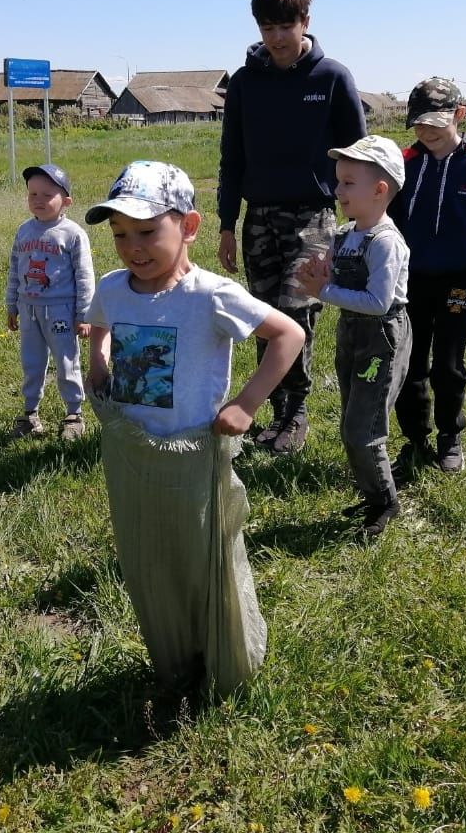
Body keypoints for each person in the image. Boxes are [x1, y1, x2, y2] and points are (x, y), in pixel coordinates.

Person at [84, 161, 304, 697]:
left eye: (146, 231)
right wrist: (98, 361)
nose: (132, 247)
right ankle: (174, 657)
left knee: (201, 557)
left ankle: (223, 661)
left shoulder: (210, 295)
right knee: (148, 556)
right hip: (133, 451)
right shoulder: (114, 288)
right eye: (119, 235)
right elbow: (100, 326)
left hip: (193, 454)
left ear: (189, 226)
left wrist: (248, 403)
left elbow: (289, 336)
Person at [216, 0, 367, 455]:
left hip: (312, 216)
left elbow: (359, 156)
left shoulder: (332, 78)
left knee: (296, 311)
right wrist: (226, 224)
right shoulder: (243, 83)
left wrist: (362, 221)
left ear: (306, 23)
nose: (276, 37)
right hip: (258, 215)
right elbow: (231, 159)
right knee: (264, 316)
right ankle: (276, 406)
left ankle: (294, 412)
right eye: (267, 27)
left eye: (286, 25)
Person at [388, 77, 466, 476]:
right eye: (418, 124)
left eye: (435, 123)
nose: (426, 132)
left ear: (460, 114)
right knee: (409, 361)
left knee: (448, 362)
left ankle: (449, 436)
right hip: (411, 280)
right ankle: (415, 439)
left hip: (459, 279)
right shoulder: (405, 162)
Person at [297, 137, 411, 541]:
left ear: (380, 190)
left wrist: (322, 292)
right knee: (351, 417)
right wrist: (319, 273)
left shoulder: (384, 242)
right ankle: (371, 491)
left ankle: (385, 502)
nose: (337, 191)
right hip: (352, 331)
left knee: (362, 428)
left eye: (347, 183)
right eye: (338, 182)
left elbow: (379, 302)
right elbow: (332, 274)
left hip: (381, 336)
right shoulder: (347, 234)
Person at [5, 163, 95, 440]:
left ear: (66, 201)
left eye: (47, 195)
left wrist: (84, 314)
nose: (38, 201)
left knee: (67, 361)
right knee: (31, 362)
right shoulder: (24, 231)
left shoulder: (72, 233)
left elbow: (84, 275)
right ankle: (30, 413)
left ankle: (73, 413)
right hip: (28, 309)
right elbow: (14, 269)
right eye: (33, 194)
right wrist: (12, 305)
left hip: (61, 312)